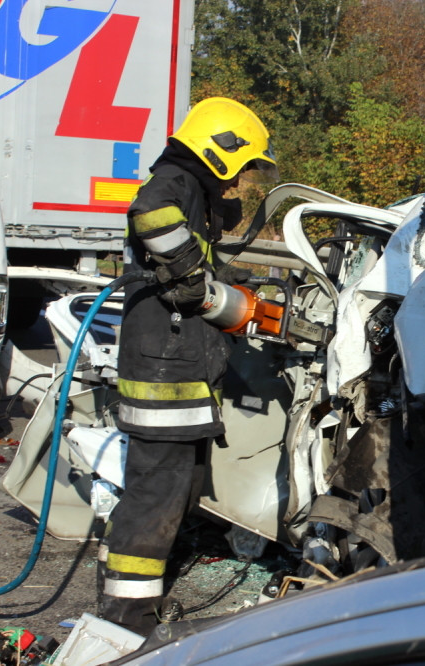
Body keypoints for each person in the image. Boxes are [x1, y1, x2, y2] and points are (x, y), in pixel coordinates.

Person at [98, 97, 278, 634]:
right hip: (164, 377)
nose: (242, 180)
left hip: (174, 372)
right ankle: (126, 620)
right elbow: (150, 214)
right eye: (242, 166)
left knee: (166, 492)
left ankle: (124, 594)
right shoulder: (173, 181)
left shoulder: (191, 189)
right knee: (154, 498)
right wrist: (193, 280)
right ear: (220, 149)